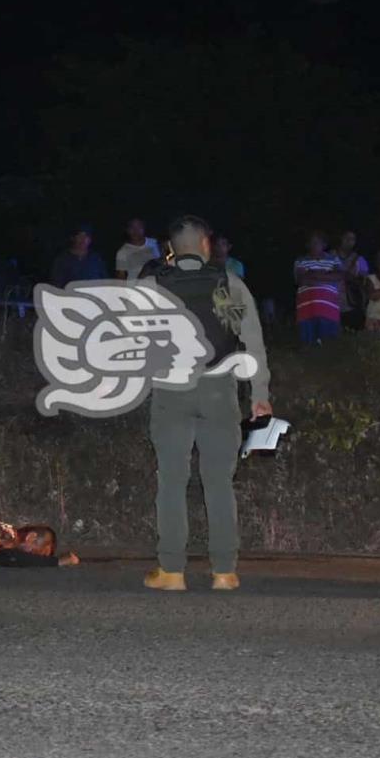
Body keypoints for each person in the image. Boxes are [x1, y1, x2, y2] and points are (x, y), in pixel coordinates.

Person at [139, 215, 271, 592]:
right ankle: (225, 572)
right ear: (207, 245)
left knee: (172, 480)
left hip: (171, 391)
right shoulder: (230, 283)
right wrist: (260, 396)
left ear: (170, 249)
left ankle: (172, 572)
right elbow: (254, 343)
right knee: (219, 482)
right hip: (220, 391)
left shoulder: (150, 285)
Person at [293, 231, 342, 344]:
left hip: (329, 307)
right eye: (312, 242)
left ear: (324, 245)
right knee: (308, 345)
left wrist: (313, 274)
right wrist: (326, 275)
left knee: (329, 345)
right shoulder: (300, 260)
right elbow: (301, 280)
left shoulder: (333, 259)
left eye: (318, 242)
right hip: (307, 307)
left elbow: (339, 276)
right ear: (307, 245)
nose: (314, 245)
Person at [331, 230, 369, 331]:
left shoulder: (360, 260)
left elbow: (365, 283)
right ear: (341, 238)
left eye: (352, 239)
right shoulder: (329, 257)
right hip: (332, 305)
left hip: (352, 305)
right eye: (346, 238)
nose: (349, 241)